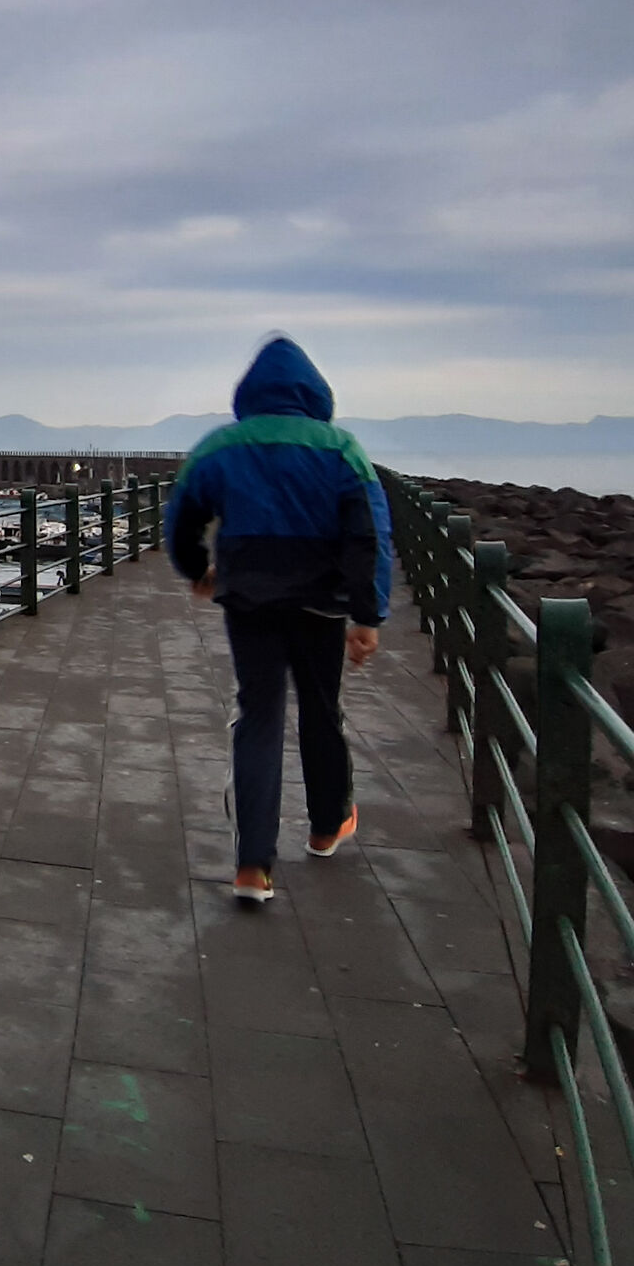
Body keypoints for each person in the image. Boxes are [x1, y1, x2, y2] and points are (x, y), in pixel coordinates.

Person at [164, 336, 391, 904]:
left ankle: (252, 868)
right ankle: (326, 825)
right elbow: (369, 536)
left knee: (259, 716)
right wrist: (368, 615)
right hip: (322, 602)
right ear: (316, 393)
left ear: (250, 393)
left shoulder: (223, 446)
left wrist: (198, 568)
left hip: (250, 602)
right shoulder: (343, 449)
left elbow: (183, 511)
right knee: (321, 710)